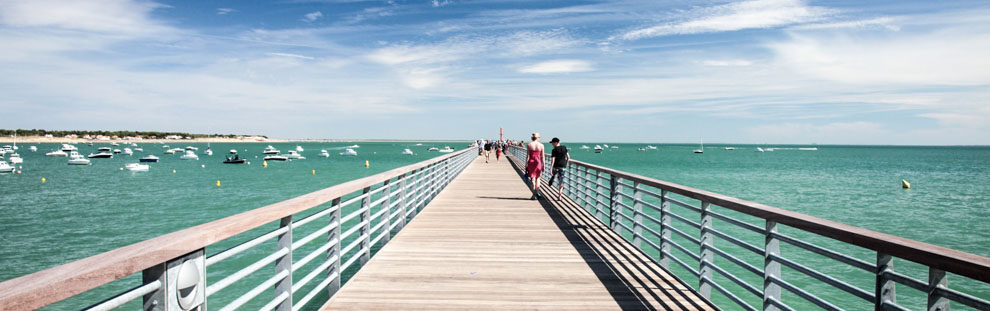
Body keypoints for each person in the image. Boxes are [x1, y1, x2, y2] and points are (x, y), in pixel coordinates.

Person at [526, 133, 544, 200]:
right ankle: (537, 191)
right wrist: (543, 165)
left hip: (531, 162)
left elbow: (528, 156)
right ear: (537, 138)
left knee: (532, 179)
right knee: (538, 178)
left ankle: (533, 195)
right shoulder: (541, 145)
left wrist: (526, 164)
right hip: (538, 163)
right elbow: (542, 156)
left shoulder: (529, 145)